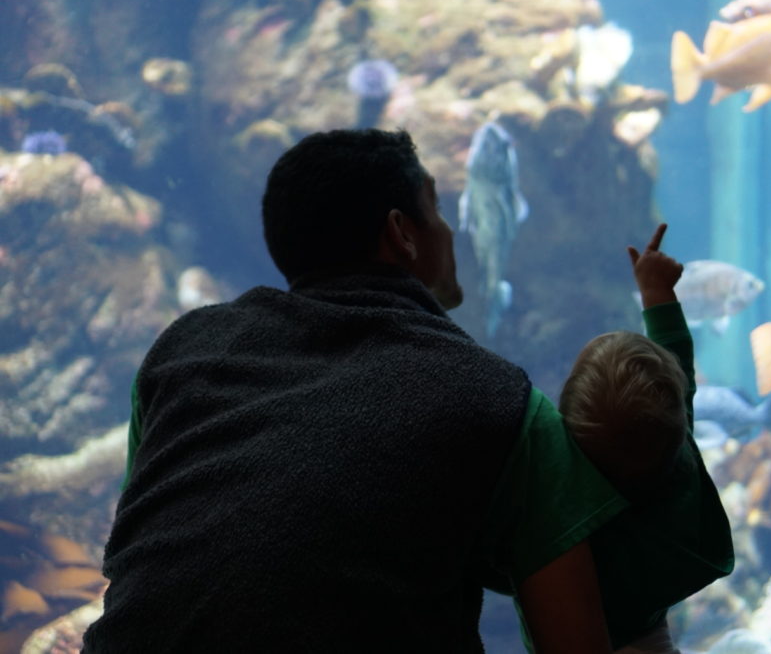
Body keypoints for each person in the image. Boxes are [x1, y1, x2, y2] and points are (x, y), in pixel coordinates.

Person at [83, 129, 628, 653]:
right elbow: (576, 640)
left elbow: (139, 548)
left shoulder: (182, 353)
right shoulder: (499, 399)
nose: (451, 231)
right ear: (402, 234)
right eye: (436, 211)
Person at [501, 224, 735, 653]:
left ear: (566, 429)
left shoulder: (566, 499)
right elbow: (678, 370)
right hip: (651, 636)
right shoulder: (674, 474)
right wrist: (656, 291)